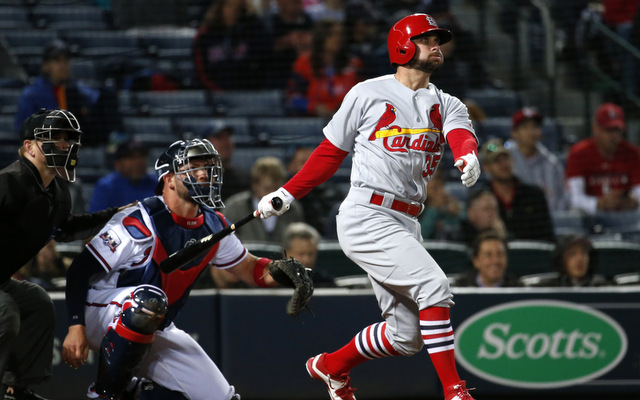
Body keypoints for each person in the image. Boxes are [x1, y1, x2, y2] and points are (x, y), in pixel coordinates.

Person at [257, 13, 481, 400]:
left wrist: (468, 154)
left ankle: (331, 367)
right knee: (433, 285)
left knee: (406, 336)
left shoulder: (448, 103)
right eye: (427, 40)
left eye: (437, 40)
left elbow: (460, 135)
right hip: (367, 214)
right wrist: (287, 193)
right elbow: (330, 152)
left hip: (407, 221)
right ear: (403, 46)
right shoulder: (367, 92)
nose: (436, 46)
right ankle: (454, 391)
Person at [61, 138, 303, 400]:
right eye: (192, 167)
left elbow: (251, 269)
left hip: (154, 323)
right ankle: (104, 394)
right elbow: (80, 270)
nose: (202, 173)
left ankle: (136, 392)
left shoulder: (214, 224)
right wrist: (76, 327)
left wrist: (282, 272)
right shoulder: (140, 220)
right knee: (147, 302)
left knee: (222, 398)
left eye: (207, 166)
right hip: (100, 312)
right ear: (169, 179)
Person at [0, 109, 123, 400]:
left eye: (68, 139)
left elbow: (64, 229)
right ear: (29, 147)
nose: (64, 145)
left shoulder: (58, 192)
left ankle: (17, 389)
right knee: (5, 312)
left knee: (37, 303)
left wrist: (114, 216)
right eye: (54, 138)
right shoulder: (9, 181)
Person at [14, 40, 120, 147]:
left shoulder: (76, 88)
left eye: (66, 61)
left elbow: (96, 101)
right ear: (46, 65)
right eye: (57, 60)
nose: (63, 65)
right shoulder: (31, 93)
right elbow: (23, 129)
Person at [565, 102, 640, 214]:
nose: (614, 136)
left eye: (617, 130)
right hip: (590, 218)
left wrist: (632, 202)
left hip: (625, 216)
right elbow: (573, 198)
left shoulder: (632, 152)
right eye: (609, 130)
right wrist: (599, 203)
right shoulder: (579, 153)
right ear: (595, 129)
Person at [480, 138, 556, 242]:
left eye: (506, 158)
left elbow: (548, 236)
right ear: (486, 167)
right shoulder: (481, 199)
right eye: (496, 161)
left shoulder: (534, 195)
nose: (503, 164)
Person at [287, 20, 363, 119]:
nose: (338, 39)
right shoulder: (303, 64)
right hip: (312, 121)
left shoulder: (354, 64)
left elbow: (364, 97)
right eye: (332, 35)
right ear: (321, 38)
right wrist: (314, 107)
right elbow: (292, 98)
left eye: (340, 35)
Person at [192, 0, 271, 91]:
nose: (234, 12)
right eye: (230, 6)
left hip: (245, 95)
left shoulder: (251, 32)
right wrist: (217, 92)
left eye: (239, 8)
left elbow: (262, 61)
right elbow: (200, 71)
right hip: (213, 96)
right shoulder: (205, 35)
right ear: (220, 7)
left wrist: (252, 16)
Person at [224, 156, 304, 244]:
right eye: (267, 188)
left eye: (276, 189)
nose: (273, 194)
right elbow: (226, 240)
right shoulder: (235, 207)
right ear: (255, 185)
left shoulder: (292, 208)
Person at [505, 108, 567, 212]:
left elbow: (563, 197)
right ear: (514, 133)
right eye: (525, 127)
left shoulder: (552, 162)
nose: (531, 132)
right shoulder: (505, 159)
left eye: (535, 127)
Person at [286, 145, 344, 237]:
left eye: (312, 162)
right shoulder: (287, 195)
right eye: (303, 162)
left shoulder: (333, 191)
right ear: (291, 167)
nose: (309, 167)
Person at [88, 139, 156, 212]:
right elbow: (98, 218)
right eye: (132, 157)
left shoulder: (157, 184)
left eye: (142, 156)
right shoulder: (106, 186)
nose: (138, 162)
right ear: (118, 163)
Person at [264, 0, 314, 89]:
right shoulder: (270, 23)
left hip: (305, 74)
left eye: (298, 2)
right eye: (292, 2)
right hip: (277, 77)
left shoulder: (307, 20)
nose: (297, 6)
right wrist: (286, 41)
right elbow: (263, 50)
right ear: (280, 3)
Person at [452, 231, 523, 288]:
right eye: (488, 255)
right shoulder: (460, 289)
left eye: (500, 254)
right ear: (476, 261)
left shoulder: (518, 289)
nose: (495, 260)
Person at [203, 124, 251, 202]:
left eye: (228, 137)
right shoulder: (199, 179)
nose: (226, 143)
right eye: (219, 138)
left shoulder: (244, 178)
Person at [282, 222, 336, 287]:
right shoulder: (272, 282)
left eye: (310, 254)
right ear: (286, 253)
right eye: (301, 254)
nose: (307, 260)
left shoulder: (325, 282)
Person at [545, 234, 609, 287]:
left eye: (584, 253)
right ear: (561, 260)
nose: (579, 259)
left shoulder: (601, 286)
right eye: (572, 254)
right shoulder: (550, 287)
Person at [419, 168, 464, 240]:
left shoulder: (448, 201)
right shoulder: (413, 204)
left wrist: (452, 214)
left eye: (437, 178)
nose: (435, 182)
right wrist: (433, 209)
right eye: (429, 177)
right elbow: (420, 236)